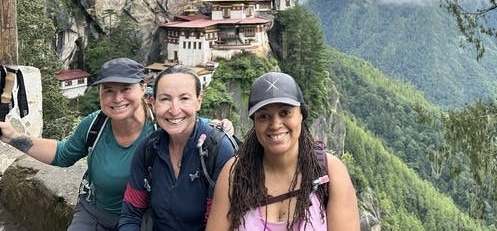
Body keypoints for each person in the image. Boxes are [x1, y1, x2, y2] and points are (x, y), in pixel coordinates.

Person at [0, 57, 156, 230]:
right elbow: (63, 154)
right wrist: (12, 137)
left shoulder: (160, 128)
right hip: (94, 214)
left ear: (143, 88)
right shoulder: (95, 125)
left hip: (143, 220)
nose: (117, 98)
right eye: (108, 90)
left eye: (126, 89)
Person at [206, 72, 360, 231]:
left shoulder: (330, 173)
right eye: (264, 116)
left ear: (301, 114)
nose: (275, 124)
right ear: (255, 123)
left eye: (285, 112)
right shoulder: (235, 174)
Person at [118, 64, 236, 231]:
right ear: (153, 103)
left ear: (198, 102)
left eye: (184, 98)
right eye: (165, 99)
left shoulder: (218, 151)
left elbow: (220, 224)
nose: (174, 110)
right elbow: (131, 213)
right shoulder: (148, 150)